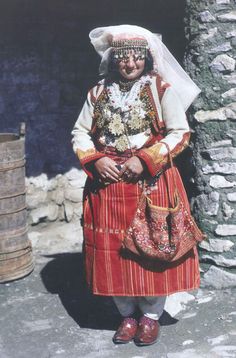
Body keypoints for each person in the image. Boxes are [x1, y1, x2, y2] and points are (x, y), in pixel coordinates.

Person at [71, 24, 201, 346]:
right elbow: (80, 132)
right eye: (123, 58)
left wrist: (144, 159)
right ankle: (127, 315)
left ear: (145, 58)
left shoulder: (160, 90)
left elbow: (179, 133)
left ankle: (151, 317)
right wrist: (95, 159)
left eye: (136, 58)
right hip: (107, 186)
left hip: (151, 184)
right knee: (114, 254)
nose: (129, 65)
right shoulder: (98, 93)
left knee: (151, 251)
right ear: (114, 59)